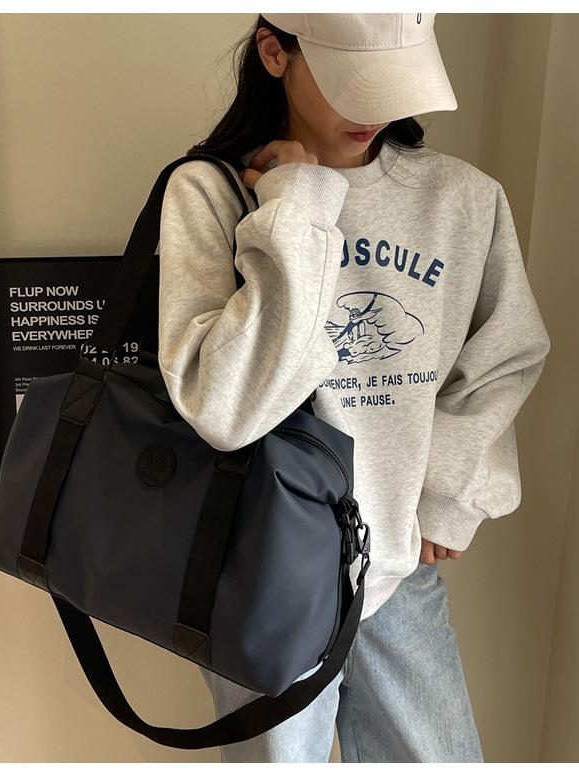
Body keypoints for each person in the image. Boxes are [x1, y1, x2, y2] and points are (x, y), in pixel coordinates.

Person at [157, 13, 551, 763]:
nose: (374, 108)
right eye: (350, 80)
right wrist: (296, 206)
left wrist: (451, 495)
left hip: (397, 565)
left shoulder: (461, 199)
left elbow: (504, 355)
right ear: (275, 53)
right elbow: (226, 407)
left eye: (392, 81)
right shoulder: (210, 193)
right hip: (261, 573)